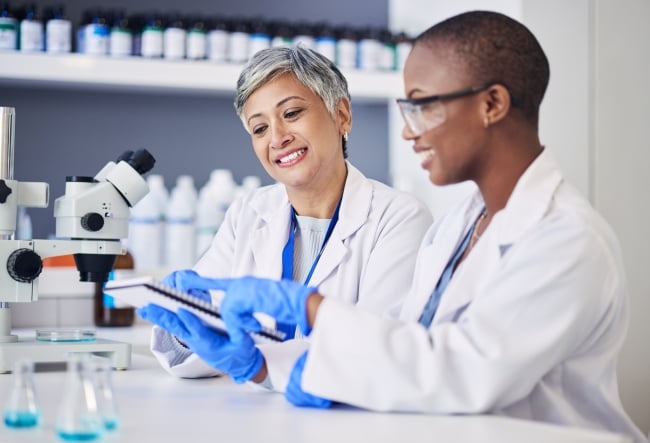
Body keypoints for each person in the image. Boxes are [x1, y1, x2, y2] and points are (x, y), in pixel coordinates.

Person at [175, 11, 647, 443]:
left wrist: (314, 311)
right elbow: (403, 351)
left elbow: (460, 373)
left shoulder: (566, 239)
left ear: (492, 104)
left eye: (423, 105)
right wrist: (263, 368)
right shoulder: (457, 227)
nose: (407, 129)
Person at [138, 46, 433, 390]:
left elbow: (376, 354)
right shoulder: (248, 214)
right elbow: (188, 355)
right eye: (259, 128)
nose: (277, 138)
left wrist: (259, 364)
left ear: (342, 115)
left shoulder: (398, 219)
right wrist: (188, 328)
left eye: (292, 113)